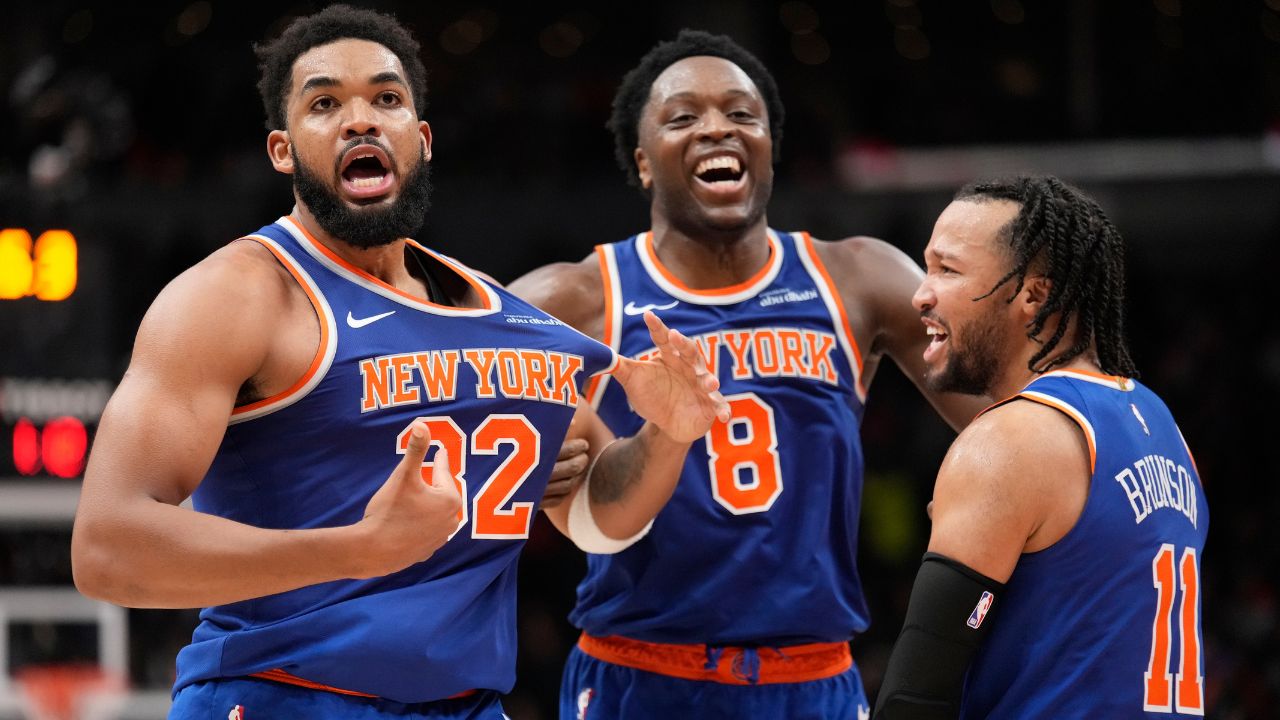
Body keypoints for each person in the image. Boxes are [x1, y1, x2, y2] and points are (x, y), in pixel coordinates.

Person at [69, 6, 729, 719]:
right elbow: (109, 548)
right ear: (282, 150)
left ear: (421, 139)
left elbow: (602, 523)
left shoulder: (506, 322)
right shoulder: (235, 296)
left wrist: (668, 436)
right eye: (325, 103)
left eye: (386, 98)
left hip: (468, 705)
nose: (360, 119)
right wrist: (358, 550)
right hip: (279, 698)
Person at [509, 30, 984, 720]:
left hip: (814, 675)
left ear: (768, 146)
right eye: (683, 117)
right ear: (643, 163)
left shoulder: (857, 278)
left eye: (741, 113)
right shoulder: (576, 299)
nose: (716, 128)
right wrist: (522, 468)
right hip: (640, 674)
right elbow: (432, 402)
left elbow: (1007, 416)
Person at [871, 176, 1208, 719]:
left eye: (947, 270)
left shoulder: (1010, 440)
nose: (920, 294)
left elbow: (915, 697)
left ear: (1032, 295)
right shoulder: (1161, 423)